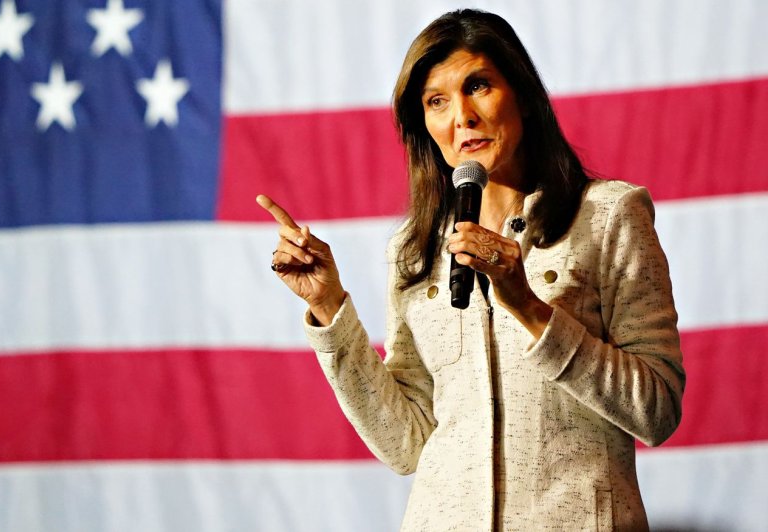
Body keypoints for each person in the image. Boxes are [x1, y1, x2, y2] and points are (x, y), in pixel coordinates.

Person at [258, 8, 684, 531]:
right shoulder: (412, 250)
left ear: (522, 95)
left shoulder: (608, 215)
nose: (462, 116)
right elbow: (407, 444)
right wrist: (328, 307)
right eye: (437, 101)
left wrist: (529, 307)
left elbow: (657, 411)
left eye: (478, 86)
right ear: (425, 126)